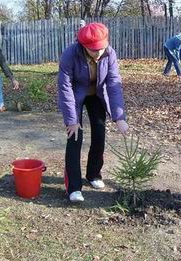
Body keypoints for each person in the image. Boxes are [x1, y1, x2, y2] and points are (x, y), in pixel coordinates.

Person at [58, 22, 129, 202]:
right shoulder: (69, 55)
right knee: (75, 137)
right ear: (83, 45)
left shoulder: (110, 53)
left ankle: (94, 174)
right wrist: (72, 120)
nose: (98, 53)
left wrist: (119, 116)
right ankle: (73, 187)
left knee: (99, 133)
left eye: (101, 49)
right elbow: (65, 87)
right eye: (93, 50)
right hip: (74, 96)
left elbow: (113, 84)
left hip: (97, 94)